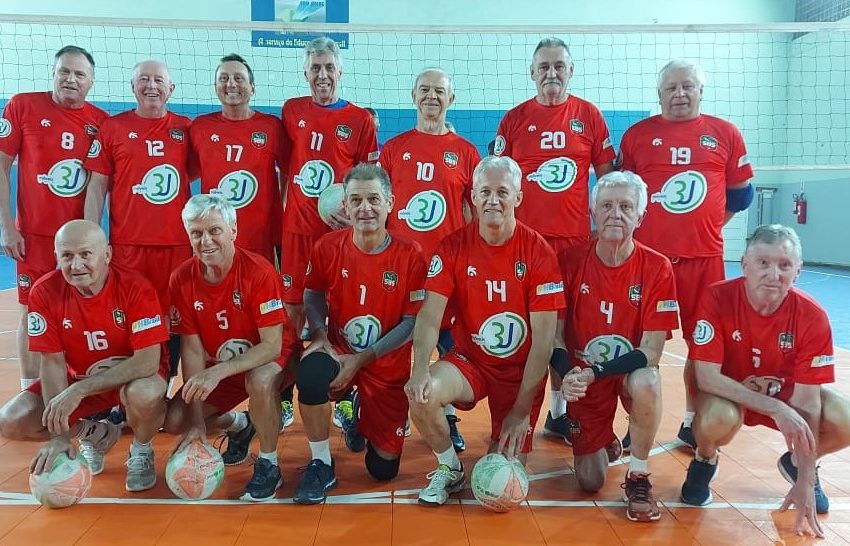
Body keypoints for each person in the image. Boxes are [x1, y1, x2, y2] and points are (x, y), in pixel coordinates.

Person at [405, 156, 564, 506]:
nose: (494, 200)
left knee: (500, 477)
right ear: (473, 197)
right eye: (486, 192)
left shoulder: (539, 252)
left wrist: (521, 411)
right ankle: (450, 469)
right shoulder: (452, 247)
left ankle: (504, 442)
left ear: (518, 198)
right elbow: (430, 317)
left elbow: (543, 343)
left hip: (519, 372)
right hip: (471, 361)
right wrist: (418, 371)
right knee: (422, 394)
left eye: (503, 192)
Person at [680, 225, 850, 537]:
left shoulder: (812, 316)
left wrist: (805, 479)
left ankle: (796, 464)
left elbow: (808, 404)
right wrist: (776, 409)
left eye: (784, 265)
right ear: (744, 264)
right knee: (716, 418)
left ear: (797, 271)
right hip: (730, 394)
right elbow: (706, 377)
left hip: (787, 397)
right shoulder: (717, 297)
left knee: (846, 419)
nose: (773, 274)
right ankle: (705, 460)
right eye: (763, 263)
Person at [618, 59, 755, 449]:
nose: (679, 94)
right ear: (658, 94)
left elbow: (741, 195)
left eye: (687, 86)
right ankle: (636, 422)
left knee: (704, 346)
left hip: (704, 260)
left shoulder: (725, 133)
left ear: (700, 91)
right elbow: (626, 195)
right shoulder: (637, 136)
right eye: (671, 88)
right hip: (647, 260)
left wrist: (707, 225)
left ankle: (692, 422)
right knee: (639, 345)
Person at [494, 37, 616, 441]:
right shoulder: (513, 120)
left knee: (568, 329)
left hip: (575, 244)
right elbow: (496, 181)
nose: (551, 73)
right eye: (543, 66)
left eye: (559, 66)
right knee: (529, 331)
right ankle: (516, 412)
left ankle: (561, 412)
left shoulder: (590, 117)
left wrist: (604, 229)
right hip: (525, 245)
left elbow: (610, 179)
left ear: (571, 70)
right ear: (532, 72)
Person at [292, 163, 426, 504]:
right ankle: (321, 461)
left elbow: (411, 323)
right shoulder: (327, 247)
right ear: (345, 207)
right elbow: (312, 293)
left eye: (373, 199)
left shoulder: (410, 254)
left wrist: (361, 360)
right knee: (309, 372)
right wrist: (320, 334)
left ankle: (359, 411)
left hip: (385, 366)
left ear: (390, 203)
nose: (365, 208)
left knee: (382, 470)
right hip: (338, 348)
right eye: (356, 200)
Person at [0, 220, 168, 491]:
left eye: (85, 254)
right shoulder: (44, 292)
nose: (76, 265)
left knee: (144, 394)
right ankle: (95, 433)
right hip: (79, 376)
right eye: (67, 256)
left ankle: (142, 449)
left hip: (132, 376)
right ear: (56, 257)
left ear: (107, 255)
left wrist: (79, 390)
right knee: (10, 420)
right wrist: (58, 435)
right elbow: (52, 362)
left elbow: (148, 361)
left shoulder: (136, 287)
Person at [557, 171, 678, 522]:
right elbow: (553, 334)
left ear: (641, 216)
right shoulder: (569, 261)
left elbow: (652, 351)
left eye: (626, 207)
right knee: (589, 482)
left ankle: (638, 474)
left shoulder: (657, 267)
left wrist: (597, 372)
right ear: (592, 212)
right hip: (584, 378)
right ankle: (604, 438)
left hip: (622, 374)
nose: (615, 214)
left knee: (648, 380)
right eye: (606, 205)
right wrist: (569, 374)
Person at [164, 194, 298, 502]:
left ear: (233, 230)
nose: (206, 241)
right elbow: (193, 351)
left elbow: (271, 346)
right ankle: (241, 424)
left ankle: (269, 464)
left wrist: (217, 373)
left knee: (260, 380)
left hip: (272, 359)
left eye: (214, 231)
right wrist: (197, 421)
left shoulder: (258, 271)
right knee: (174, 421)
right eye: (196, 233)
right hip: (223, 367)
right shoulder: (182, 278)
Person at [279, 37, 379, 441]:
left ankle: (344, 400)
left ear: (341, 72)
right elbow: (280, 168)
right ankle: (285, 396)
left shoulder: (360, 120)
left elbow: (369, 181)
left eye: (329, 67)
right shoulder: (291, 111)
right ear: (306, 73)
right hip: (295, 235)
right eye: (315, 68)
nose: (322, 75)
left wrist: (352, 216)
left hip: (339, 238)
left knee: (341, 319)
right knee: (291, 318)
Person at [379, 68, 481, 452]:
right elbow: (380, 210)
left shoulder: (467, 152)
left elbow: (472, 215)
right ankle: (377, 414)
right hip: (400, 271)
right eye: (425, 90)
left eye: (440, 91)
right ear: (413, 95)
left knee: (447, 348)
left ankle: (446, 416)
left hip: (447, 274)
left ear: (451, 99)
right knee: (389, 347)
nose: (432, 97)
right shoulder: (393, 149)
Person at [0, 46, 108, 391]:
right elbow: (1, 167)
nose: (70, 79)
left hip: (77, 244)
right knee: (32, 314)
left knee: (81, 312)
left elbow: (99, 187)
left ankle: (79, 388)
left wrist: (95, 240)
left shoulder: (101, 122)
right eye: (64, 71)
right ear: (53, 73)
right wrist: (7, 228)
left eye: (79, 74)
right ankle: (29, 392)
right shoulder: (22, 105)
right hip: (32, 237)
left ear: (91, 82)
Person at [189, 53, 283, 266]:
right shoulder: (200, 127)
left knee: (260, 297)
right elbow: (187, 172)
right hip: (213, 238)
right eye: (223, 78)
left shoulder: (272, 127)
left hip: (260, 238)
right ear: (216, 87)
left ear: (253, 87)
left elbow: (287, 171)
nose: (231, 84)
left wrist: (280, 210)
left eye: (238, 78)